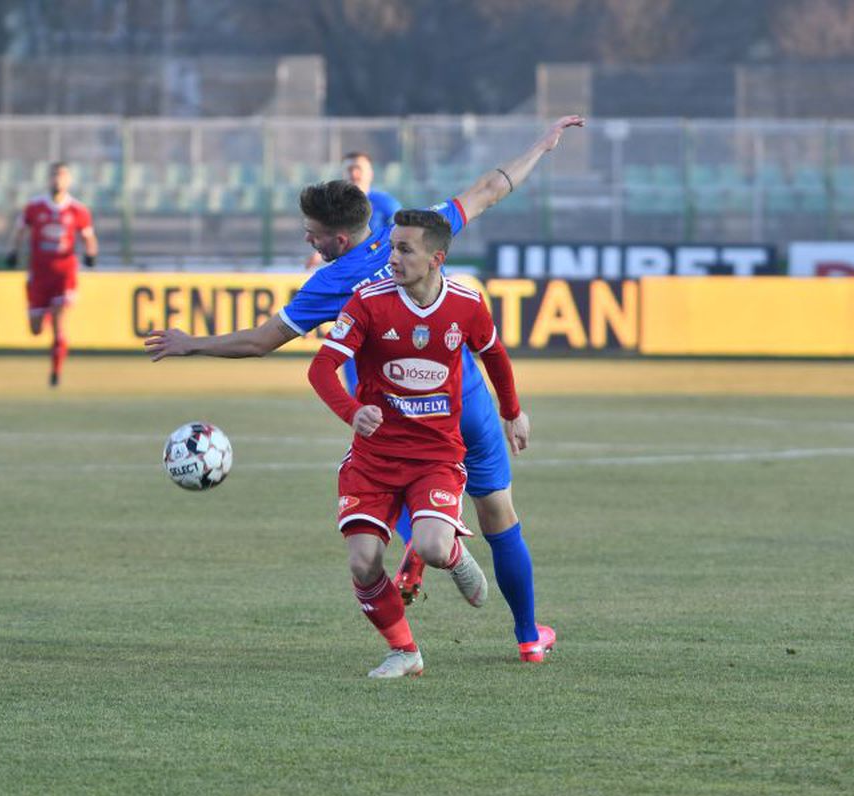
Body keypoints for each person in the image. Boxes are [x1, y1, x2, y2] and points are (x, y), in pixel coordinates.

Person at [146, 115, 584, 662]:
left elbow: (260, 342)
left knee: (392, 486)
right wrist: (541, 145)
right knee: (500, 518)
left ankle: (432, 553)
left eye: (312, 233)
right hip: (466, 402)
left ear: (338, 238)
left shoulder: (331, 283)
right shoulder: (410, 238)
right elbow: (491, 189)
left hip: (399, 416)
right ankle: (527, 637)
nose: (307, 239)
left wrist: (192, 344)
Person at [307, 208, 526, 678]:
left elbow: (495, 356)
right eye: (391, 247)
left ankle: (452, 553)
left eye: (404, 249)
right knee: (363, 563)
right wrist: (352, 411)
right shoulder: (367, 302)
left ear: (436, 258)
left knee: (430, 547)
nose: (392, 258)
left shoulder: (466, 304)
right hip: (373, 459)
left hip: (435, 456)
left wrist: (512, 412)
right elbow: (320, 368)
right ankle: (405, 651)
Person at [5, 162, 98, 387]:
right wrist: (13, 252)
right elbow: (19, 231)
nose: (58, 180)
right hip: (39, 275)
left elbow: (88, 237)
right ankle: (45, 312)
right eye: (54, 176)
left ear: (69, 181)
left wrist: (91, 254)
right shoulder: (34, 207)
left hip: (64, 275)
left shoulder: (78, 210)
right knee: (36, 330)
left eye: (62, 176)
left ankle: (56, 372)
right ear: (48, 179)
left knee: (59, 324)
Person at [304, 151, 400, 270]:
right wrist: (319, 254)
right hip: (347, 268)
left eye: (358, 169)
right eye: (349, 169)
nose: (354, 174)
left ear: (370, 173)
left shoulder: (386, 203)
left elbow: (398, 235)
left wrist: (374, 250)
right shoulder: (334, 204)